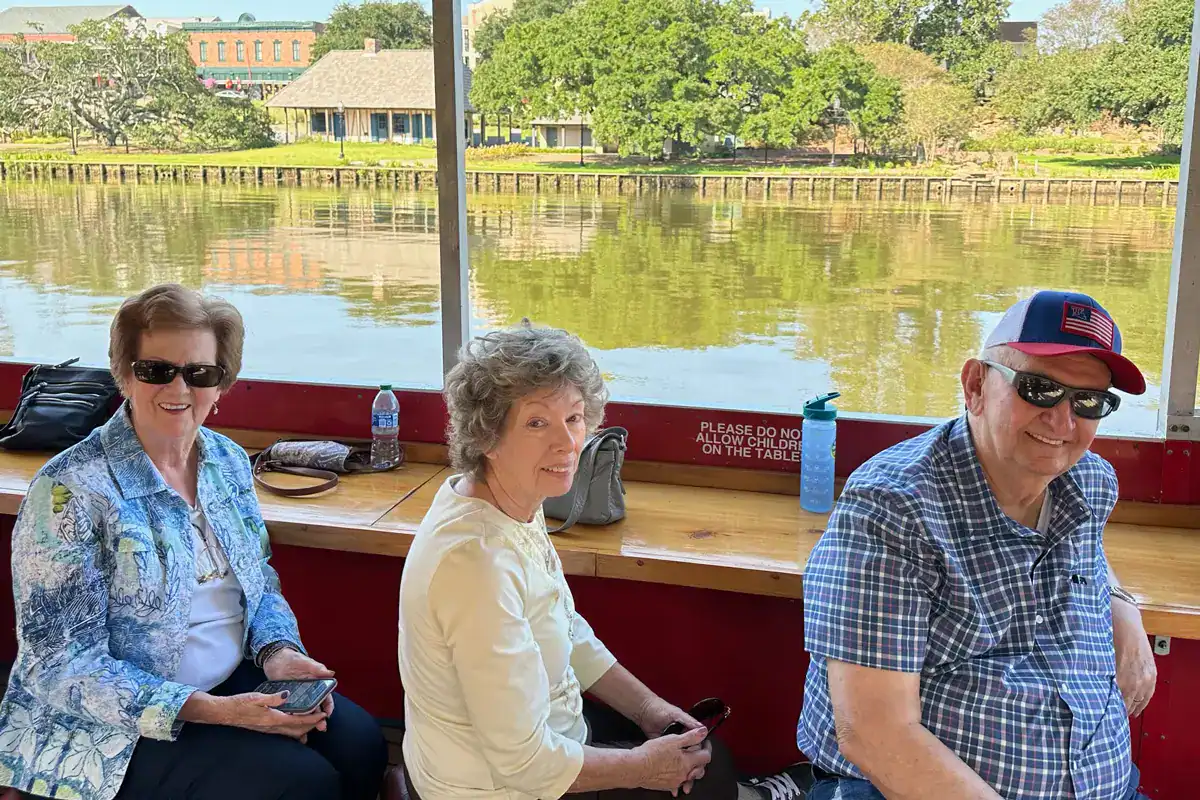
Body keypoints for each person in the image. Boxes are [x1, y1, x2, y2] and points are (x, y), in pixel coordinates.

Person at [0, 284, 387, 800]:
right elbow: (61, 665)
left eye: (199, 373)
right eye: (156, 370)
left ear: (222, 383)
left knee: (362, 745)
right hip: (114, 723)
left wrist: (278, 652)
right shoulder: (69, 491)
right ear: (124, 373)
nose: (178, 389)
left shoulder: (227, 461)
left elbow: (260, 580)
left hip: (229, 679)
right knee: (302, 785)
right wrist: (221, 713)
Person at [398, 325, 811, 800]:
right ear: (487, 434)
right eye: (537, 423)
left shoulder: (511, 501)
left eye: (574, 418)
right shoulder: (473, 562)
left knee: (701, 759)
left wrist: (649, 709)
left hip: (538, 749)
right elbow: (525, 762)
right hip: (493, 788)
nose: (567, 443)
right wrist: (645, 768)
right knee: (707, 782)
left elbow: (566, 628)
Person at [797, 290, 1158, 800]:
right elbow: (875, 735)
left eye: (1088, 401)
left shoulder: (1088, 481)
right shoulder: (894, 508)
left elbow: (1087, 552)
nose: (1062, 422)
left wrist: (1124, 608)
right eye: (1039, 389)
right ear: (976, 385)